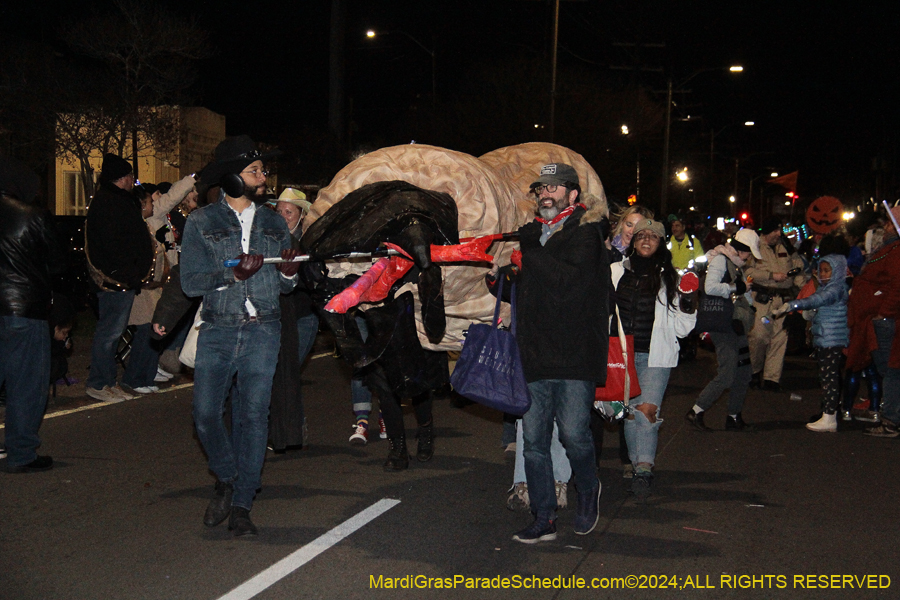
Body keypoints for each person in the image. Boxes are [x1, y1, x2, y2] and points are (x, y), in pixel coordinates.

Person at [180, 135, 298, 536]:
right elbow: (191, 282)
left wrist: (287, 272)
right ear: (232, 178)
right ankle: (229, 477)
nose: (263, 176)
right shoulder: (201, 222)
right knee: (206, 415)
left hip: (265, 328)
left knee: (252, 417)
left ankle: (243, 503)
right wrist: (233, 274)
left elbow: (286, 287)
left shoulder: (274, 222)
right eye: (255, 170)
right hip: (218, 328)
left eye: (263, 169)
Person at [487, 162, 608, 544]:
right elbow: (530, 289)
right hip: (535, 354)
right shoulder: (535, 235)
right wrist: (503, 279)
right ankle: (544, 516)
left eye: (555, 188)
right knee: (534, 442)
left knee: (574, 436)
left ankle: (588, 488)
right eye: (541, 189)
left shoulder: (587, 234)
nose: (546, 195)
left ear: (573, 195)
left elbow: (567, 283)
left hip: (574, 356)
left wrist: (528, 250)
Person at [611, 219, 696, 495]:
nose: (646, 240)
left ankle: (644, 468)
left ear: (661, 243)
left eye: (654, 237)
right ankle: (636, 465)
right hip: (621, 354)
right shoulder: (614, 272)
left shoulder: (672, 278)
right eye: (641, 236)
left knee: (646, 411)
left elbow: (683, 328)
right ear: (633, 241)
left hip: (654, 356)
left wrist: (687, 300)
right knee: (629, 416)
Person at [0, 156, 57, 472]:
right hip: (24, 308)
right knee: (26, 383)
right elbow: (57, 262)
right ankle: (21, 452)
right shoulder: (32, 216)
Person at [84, 153, 153, 403]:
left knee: (113, 332)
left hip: (122, 280)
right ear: (122, 178)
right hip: (116, 282)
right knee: (109, 333)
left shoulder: (116, 201)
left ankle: (108, 381)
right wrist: (126, 274)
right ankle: (99, 383)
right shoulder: (110, 203)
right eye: (130, 176)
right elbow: (113, 245)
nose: (132, 180)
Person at [686, 228, 762, 432]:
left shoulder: (735, 264)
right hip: (723, 324)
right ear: (741, 250)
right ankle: (696, 410)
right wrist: (735, 288)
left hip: (735, 324)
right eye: (748, 253)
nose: (749, 258)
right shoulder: (721, 260)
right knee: (728, 373)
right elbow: (710, 287)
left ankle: (734, 416)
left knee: (744, 371)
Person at [268, 187, 318, 452]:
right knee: (276, 374)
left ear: (301, 216)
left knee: (286, 372)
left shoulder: (310, 243)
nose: (283, 216)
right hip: (275, 315)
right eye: (279, 211)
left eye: (289, 211)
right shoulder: (266, 238)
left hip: (302, 317)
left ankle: (291, 427)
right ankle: (280, 430)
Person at [776, 250, 849, 432]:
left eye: (827, 270)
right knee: (827, 377)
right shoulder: (831, 288)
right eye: (820, 270)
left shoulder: (835, 288)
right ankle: (828, 414)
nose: (822, 274)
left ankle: (830, 417)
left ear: (837, 271)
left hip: (832, 339)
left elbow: (818, 300)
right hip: (827, 337)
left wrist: (792, 304)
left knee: (829, 378)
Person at [845, 206, 900, 438]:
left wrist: (884, 313)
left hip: (885, 320)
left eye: (889, 224)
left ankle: (891, 420)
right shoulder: (890, 249)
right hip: (879, 318)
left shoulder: (896, 251)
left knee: (891, 371)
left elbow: (897, 286)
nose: (885, 228)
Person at [744, 217, 805, 392]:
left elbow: (798, 267)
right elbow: (748, 271)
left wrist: (803, 289)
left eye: (780, 230)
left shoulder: (785, 246)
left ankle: (772, 378)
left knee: (779, 338)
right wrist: (771, 276)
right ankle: (755, 371)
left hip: (782, 299)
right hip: (762, 298)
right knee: (759, 336)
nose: (778, 234)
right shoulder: (755, 247)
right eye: (775, 230)